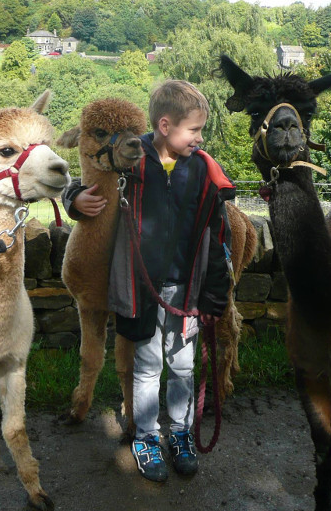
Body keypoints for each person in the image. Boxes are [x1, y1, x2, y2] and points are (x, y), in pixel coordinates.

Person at [63, 80, 235, 482]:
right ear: (164, 125)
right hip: (141, 287)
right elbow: (93, 168)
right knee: (146, 366)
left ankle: (179, 434)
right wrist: (73, 197)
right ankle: (145, 436)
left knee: (182, 365)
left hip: (185, 289)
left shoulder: (203, 169)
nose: (200, 137)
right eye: (193, 130)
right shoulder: (132, 158)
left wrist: (214, 292)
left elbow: (215, 230)